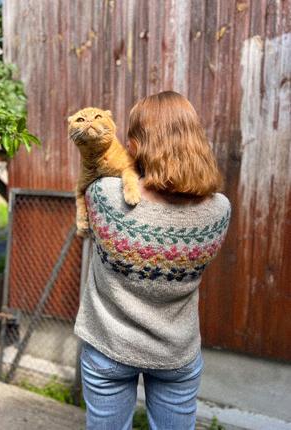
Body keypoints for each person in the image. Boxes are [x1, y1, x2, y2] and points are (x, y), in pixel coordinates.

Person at [74, 91, 231, 430]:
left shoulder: (103, 196)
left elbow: (93, 172)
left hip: (108, 347)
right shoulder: (219, 211)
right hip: (176, 351)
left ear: (133, 145)